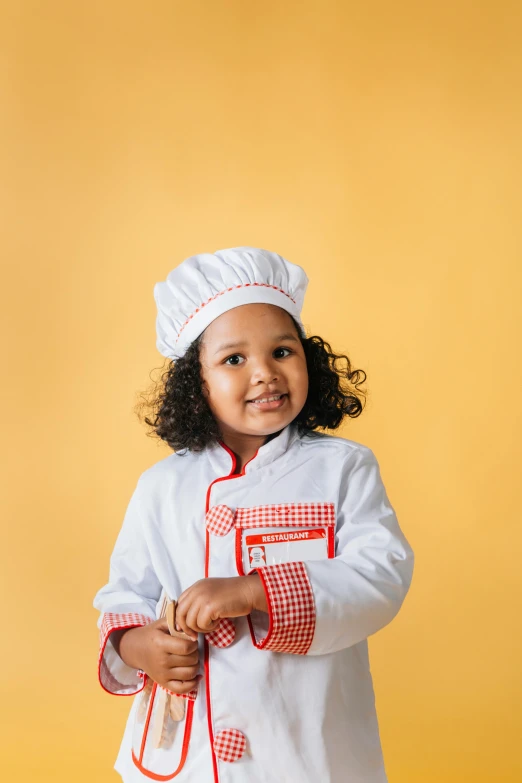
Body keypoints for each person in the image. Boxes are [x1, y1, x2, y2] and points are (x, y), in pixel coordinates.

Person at [93, 246, 414, 783]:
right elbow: (124, 594)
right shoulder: (161, 487)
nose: (265, 373)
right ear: (197, 383)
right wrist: (139, 645)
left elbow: (379, 576)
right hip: (188, 747)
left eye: (283, 351)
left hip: (305, 746)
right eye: (234, 359)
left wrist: (254, 591)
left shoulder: (343, 468)